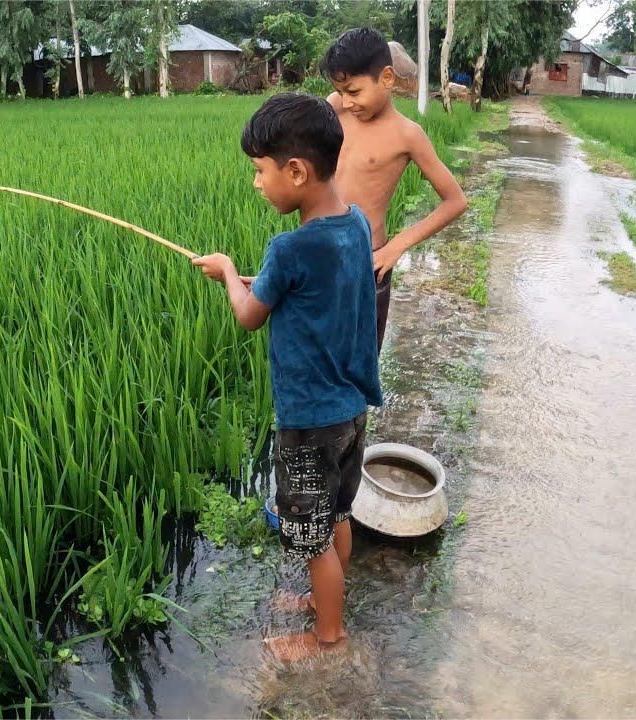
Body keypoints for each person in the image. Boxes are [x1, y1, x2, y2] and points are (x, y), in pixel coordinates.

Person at [192, 92, 382, 662]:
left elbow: (250, 316)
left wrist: (228, 272)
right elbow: (312, 285)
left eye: (260, 171)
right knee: (338, 513)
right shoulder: (354, 224)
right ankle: (329, 598)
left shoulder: (289, 247)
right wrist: (265, 278)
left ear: (296, 171)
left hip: (307, 424)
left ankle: (326, 636)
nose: (256, 182)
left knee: (311, 535)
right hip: (350, 412)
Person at [321, 27, 469, 351]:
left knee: (359, 361)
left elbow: (455, 201)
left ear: (386, 78)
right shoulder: (336, 107)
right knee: (317, 354)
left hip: (367, 262)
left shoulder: (407, 135)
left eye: (354, 91)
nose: (346, 100)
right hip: (319, 254)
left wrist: (396, 246)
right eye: (339, 90)